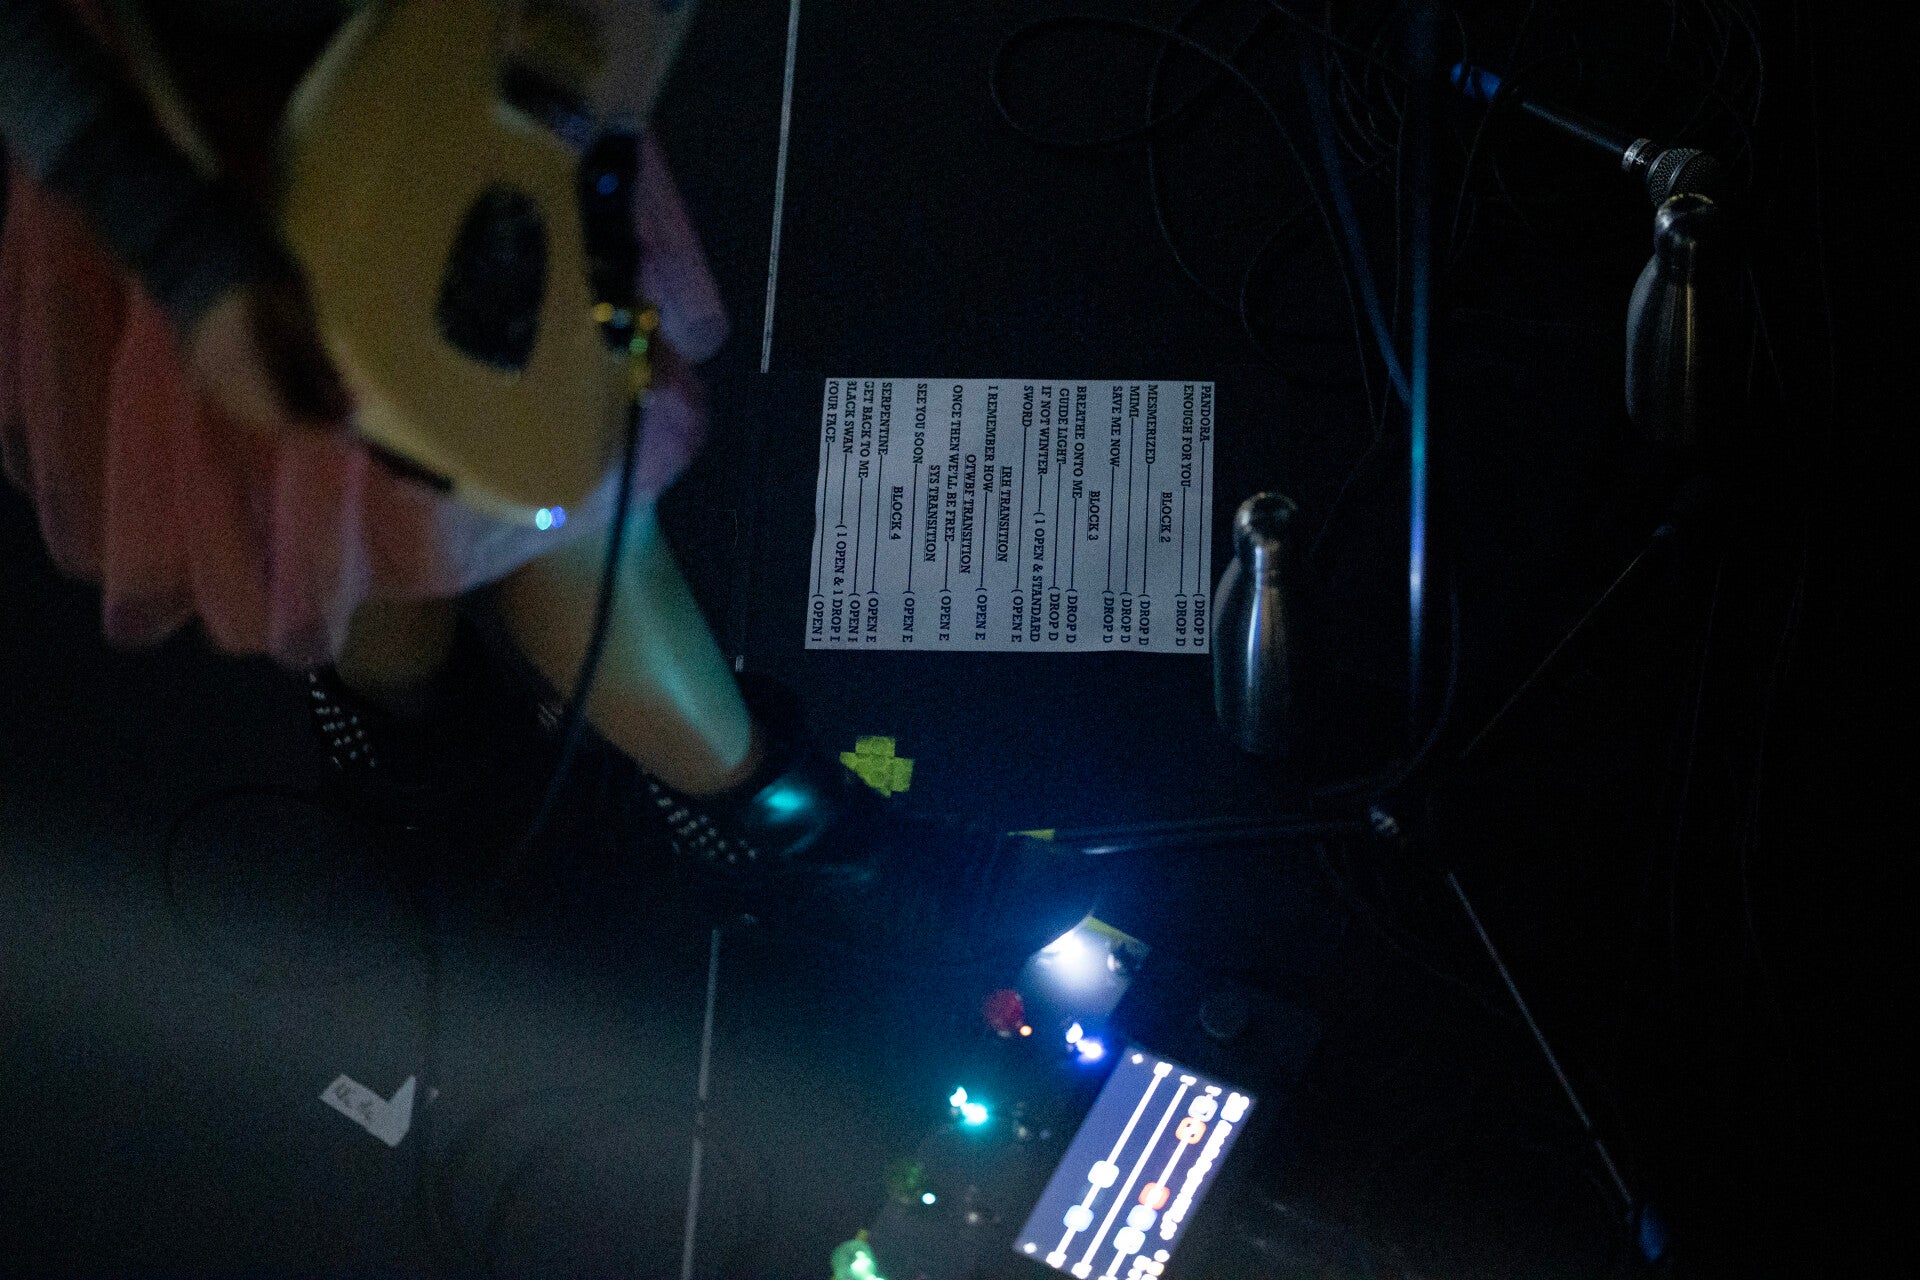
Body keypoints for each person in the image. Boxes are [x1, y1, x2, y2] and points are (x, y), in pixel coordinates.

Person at [1, 0, 1099, 946]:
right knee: (530, 506)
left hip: (448, 72)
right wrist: (176, 237)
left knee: (384, 498)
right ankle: (795, 840)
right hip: (236, 139)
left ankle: (414, 761)